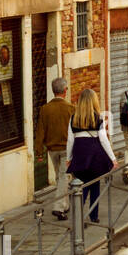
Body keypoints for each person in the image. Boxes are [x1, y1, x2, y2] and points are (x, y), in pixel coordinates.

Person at [65, 89, 116, 224]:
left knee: (82, 186)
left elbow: (70, 140)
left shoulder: (73, 118)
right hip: (95, 155)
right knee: (95, 185)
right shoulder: (98, 118)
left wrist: (68, 158)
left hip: (80, 154)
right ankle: (94, 216)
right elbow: (104, 140)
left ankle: (78, 216)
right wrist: (113, 158)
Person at [33, 77, 74, 211]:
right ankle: (59, 207)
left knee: (60, 177)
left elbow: (40, 131)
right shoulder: (70, 108)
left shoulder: (45, 109)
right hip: (66, 149)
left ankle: (65, 205)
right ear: (64, 90)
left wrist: (39, 151)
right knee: (63, 177)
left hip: (52, 150)